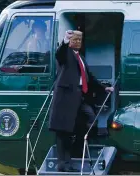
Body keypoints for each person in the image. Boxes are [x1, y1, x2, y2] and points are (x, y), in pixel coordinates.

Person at [48, 30, 114, 172]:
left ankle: (78, 147)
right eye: (74, 40)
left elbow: (89, 77)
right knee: (63, 132)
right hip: (66, 98)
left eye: (79, 40)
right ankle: (63, 165)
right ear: (70, 41)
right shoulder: (65, 54)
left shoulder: (81, 58)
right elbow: (59, 53)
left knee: (89, 117)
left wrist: (104, 88)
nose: (77, 42)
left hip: (79, 97)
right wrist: (65, 40)